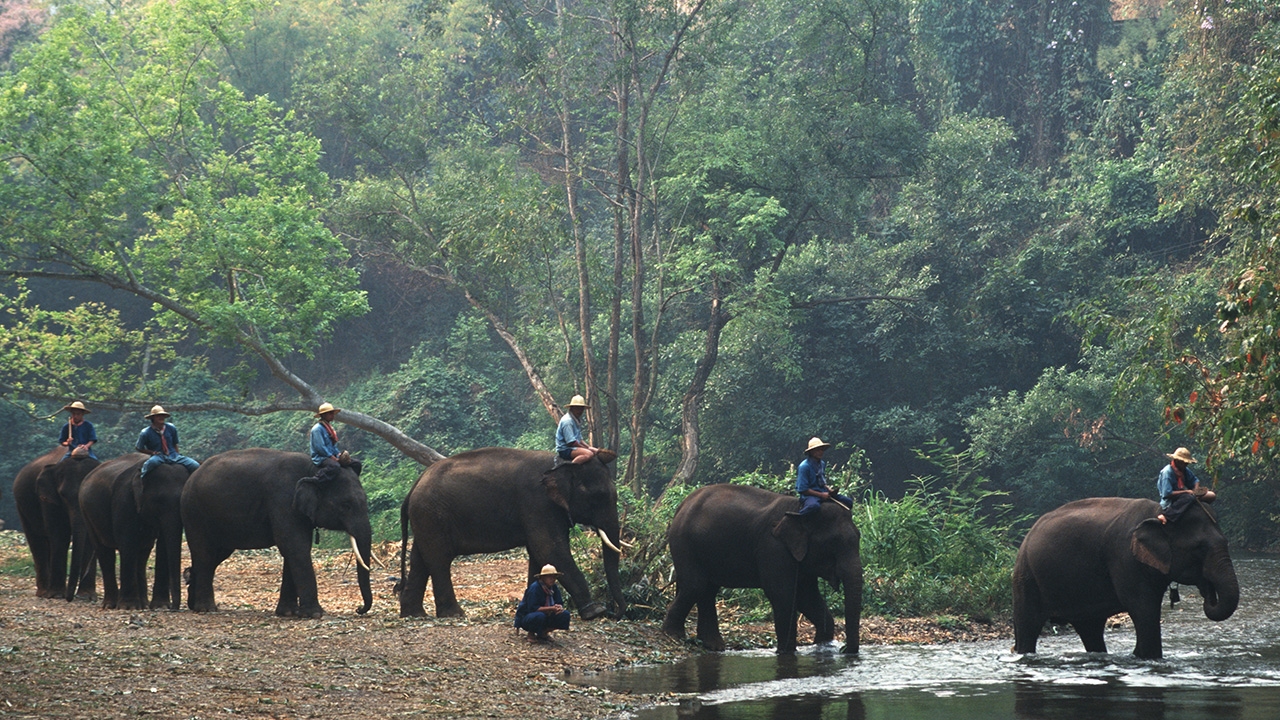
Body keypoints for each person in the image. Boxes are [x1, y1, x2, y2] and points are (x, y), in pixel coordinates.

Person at [136, 405, 200, 477]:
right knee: (149, 464)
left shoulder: (171, 428)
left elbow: (175, 443)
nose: (161, 417)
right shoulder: (145, 432)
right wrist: (152, 452)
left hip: (173, 455)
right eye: (158, 416)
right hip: (158, 456)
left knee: (195, 465)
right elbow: (139, 448)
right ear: (153, 418)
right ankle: (140, 478)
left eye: (163, 415)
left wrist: (177, 454)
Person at [1156, 447, 1216, 524]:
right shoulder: (1167, 472)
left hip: (1188, 495)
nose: (1186, 464)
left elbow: (1195, 480)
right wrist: (1187, 492)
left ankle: (1192, 503)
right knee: (1188, 497)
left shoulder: (1184, 470)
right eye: (1184, 462)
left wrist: (1196, 491)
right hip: (1172, 500)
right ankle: (1166, 516)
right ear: (1177, 461)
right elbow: (1167, 493)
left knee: (1211, 495)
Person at [795, 437, 852, 516]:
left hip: (823, 492)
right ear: (811, 452)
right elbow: (803, 489)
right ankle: (797, 520)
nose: (821, 452)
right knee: (814, 506)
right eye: (818, 450)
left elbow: (821, 481)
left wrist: (829, 489)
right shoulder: (804, 466)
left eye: (822, 449)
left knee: (848, 501)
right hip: (810, 496)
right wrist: (821, 495)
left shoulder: (821, 464)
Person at [514, 564, 571, 641]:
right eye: (549, 577)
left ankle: (544, 632)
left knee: (565, 615)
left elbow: (559, 601)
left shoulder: (554, 587)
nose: (552, 579)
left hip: (548, 614)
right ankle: (531, 633)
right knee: (539, 616)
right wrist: (551, 608)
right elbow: (533, 608)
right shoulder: (535, 588)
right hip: (529, 617)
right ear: (543, 578)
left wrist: (558, 608)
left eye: (554, 577)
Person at [306, 402, 359, 482]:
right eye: (330, 413)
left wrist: (338, 454)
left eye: (332, 413)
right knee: (334, 466)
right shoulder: (317, 429)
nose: (332, 415)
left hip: (332, 455)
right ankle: (317, 480)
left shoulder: (329, 428)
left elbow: (333, 446)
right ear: (324, 415)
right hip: (321, 457)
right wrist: (332, 457)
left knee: (356, 464)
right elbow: (320, 447)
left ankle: (353, 481)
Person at [555, 395, 597, 464]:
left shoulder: (576, 420)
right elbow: (571, 442)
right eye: (577, 408)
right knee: (588, 454)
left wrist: (590, 447)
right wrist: (587, 449)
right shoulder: (567, 421)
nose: (579, 411)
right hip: (565, 449)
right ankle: (570, 469)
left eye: (581, 408)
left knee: (593, 451)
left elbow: (579, 440)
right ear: (572, 408)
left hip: (573, 448)